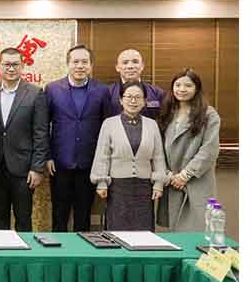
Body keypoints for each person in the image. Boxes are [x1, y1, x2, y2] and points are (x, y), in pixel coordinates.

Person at [45, 44, 112, 232]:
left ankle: (82, 249)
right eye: (75, 62)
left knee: (83, 217)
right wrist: (48, 156)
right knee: (59, 215)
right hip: (59, 164)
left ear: (91, 65)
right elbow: (43, 126)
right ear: (68, 64)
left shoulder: (102, 91)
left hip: (89, 163)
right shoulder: (52, 89)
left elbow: (107, 127)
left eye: (85, 62)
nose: (80, 66)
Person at [90, 81, 167, 231]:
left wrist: (159, 184)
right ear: (120, 100)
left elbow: (158, 157)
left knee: (143, 230)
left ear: (144, 101)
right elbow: (102, 156)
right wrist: (101, 182)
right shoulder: (109, 124)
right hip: (118, 187)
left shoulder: (152, 124)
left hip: (144, 187)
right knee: (117, 229)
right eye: (129, 97)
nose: (133, 101)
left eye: (138, 97)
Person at [0, 48, 49, 231]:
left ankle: (24, 251)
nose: (11, 68)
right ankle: (1, 249)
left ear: (22, 66)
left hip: (24, 169)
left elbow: (41, 133)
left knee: (23, 218)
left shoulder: (35, 93)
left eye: (15, 64)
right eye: (7, 64)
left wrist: (37, 168)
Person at [156, 68, 221, 232]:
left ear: (197, 88)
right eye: (178, 85)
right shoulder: (167, 112)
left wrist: (185, 175)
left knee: (196, 230)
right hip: (172, 181)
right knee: (175, 232)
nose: (182, 89)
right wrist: (169, 175)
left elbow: (209, 150)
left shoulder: (209, 114)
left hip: (195, 180)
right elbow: (158, 147)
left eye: (188, 85)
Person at [108, 49, 165, 119]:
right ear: (117, 67)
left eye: (135, 62)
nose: (130, 66)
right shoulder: (107, 93)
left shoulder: (158, 93)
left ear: (142, 66)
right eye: (125, 63)